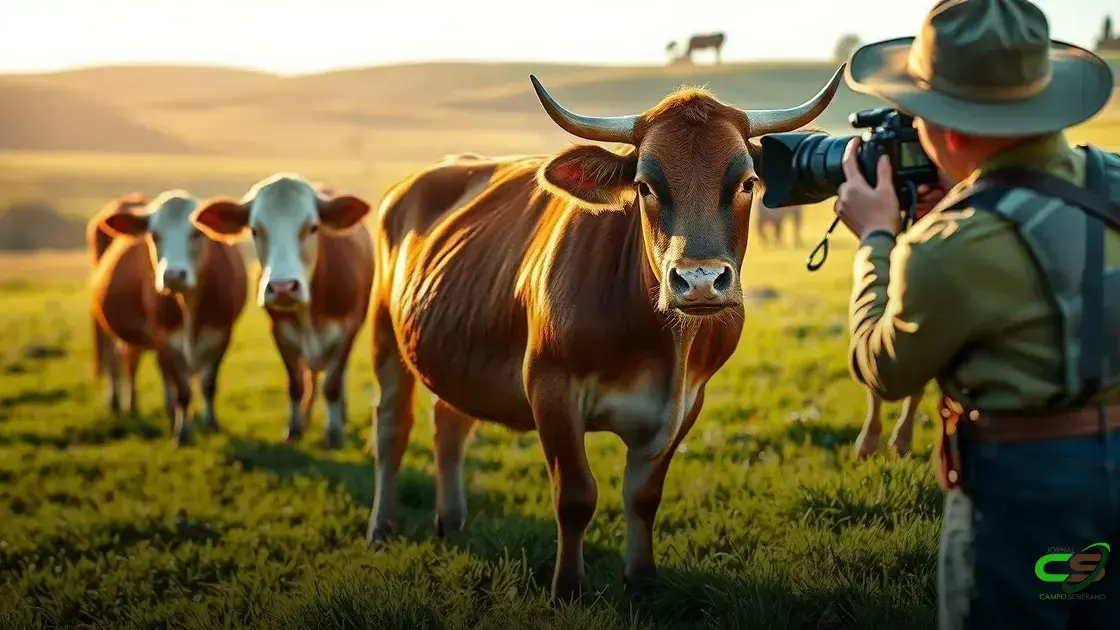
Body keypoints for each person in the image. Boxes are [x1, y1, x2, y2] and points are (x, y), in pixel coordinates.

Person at [831, 0, 1120, 628]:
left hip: (1021, 489)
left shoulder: (947, 250)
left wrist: (880, 239)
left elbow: (884, 369)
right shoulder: (1113, 180)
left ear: (951, 133)